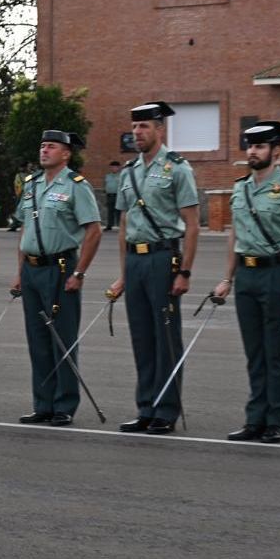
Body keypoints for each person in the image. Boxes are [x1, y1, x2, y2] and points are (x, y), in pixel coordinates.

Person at [211, 121, 280, 444]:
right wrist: (227, 278)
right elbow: (235, 236)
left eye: (259, 147)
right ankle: (254, 418)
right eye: (250, 147)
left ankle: (275, 420)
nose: (252, 152)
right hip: (247, 275)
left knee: (276, 352)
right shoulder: (240, 188)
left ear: (276, 151)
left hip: (276, 273)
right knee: (254, 351)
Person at [107, 101, 199, 435]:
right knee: (142, 338)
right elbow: (124, 222)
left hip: (163, 259)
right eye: (134, 127)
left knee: (165, 338)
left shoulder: (178, 169)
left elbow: (192, 224)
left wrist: (185, 271)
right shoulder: (129, 172)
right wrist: (123, 273)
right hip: (135, 259)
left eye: (144, 127)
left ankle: (166, 409)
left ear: (160, 129)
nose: (137, 133)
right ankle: (145, 407)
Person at [11, 131, 102, 427]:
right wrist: (19, 272)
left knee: (61, 338)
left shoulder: (76, 186)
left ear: (66, 154)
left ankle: (64, 404)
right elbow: (25, 231)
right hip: (32, 269)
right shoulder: (31, 185)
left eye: (51, 146)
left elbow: (93, 230)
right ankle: (43, 403)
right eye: (42, 145)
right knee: (37, 340)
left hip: (61, 268)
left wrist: (79, 272)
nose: (44, 150)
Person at [103, 161, 122, 230]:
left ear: (118, 168)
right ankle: (109, 225)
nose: (114, 168)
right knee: (110, 211)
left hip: (118, 195)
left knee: (118, 211)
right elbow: (105, 185)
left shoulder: (121, 176)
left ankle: (120, 225)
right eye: (112, 167)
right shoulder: (107, 176)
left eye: (115, 167)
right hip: (109, 195)